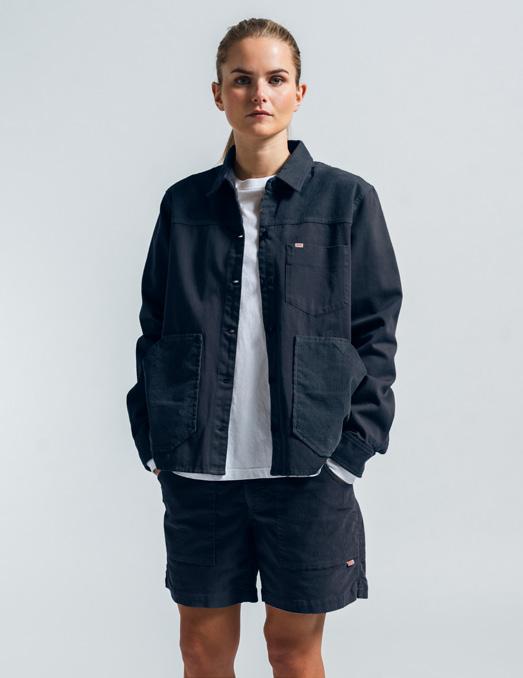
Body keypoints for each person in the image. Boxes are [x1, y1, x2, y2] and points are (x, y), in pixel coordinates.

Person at [126, 17, 402, 678]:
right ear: (217, 93)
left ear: (299, 93)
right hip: (200, 470)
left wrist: (350, 451)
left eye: (275, 79)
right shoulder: (184, 204)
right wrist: (157, 443)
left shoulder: (346, 200)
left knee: (292, 651)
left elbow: (375, 330)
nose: (259, 94)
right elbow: (155, 327)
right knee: (201, 650)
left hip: (308, 469)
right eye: (241, 79)